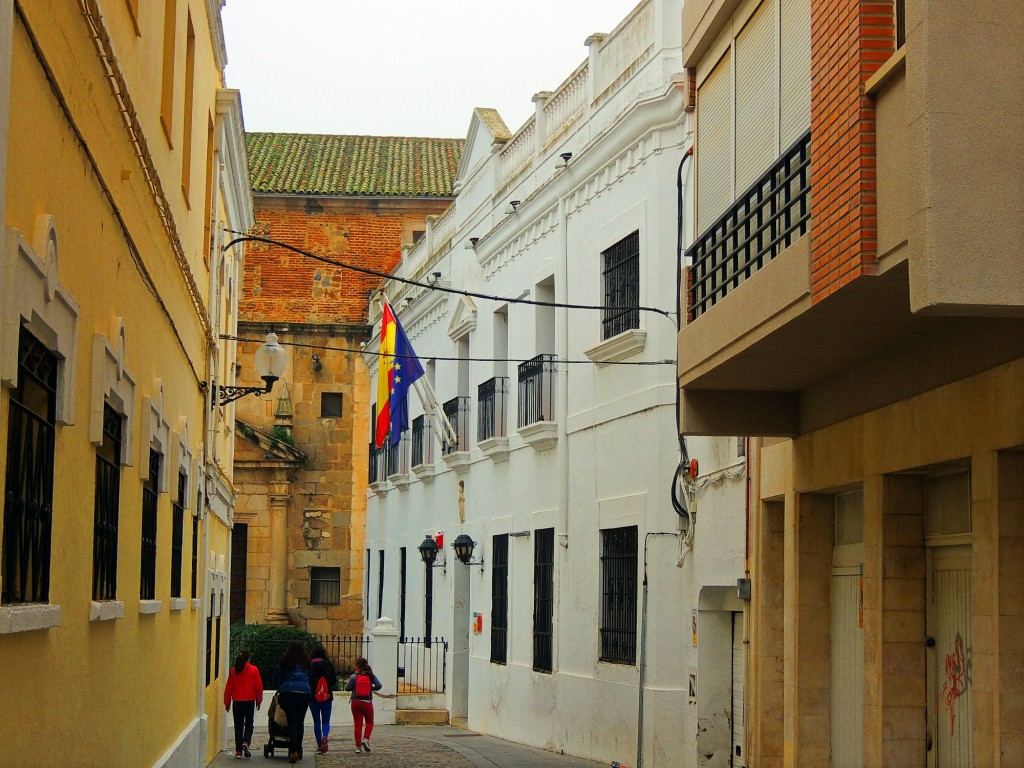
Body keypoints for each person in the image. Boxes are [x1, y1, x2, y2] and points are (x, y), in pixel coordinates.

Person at [276, 640, 312, 763]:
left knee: (292, 722)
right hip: (303, 693)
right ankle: (299, 750)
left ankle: (293, 751)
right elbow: (310, 677)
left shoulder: (285, 661)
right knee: (300, 722)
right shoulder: (307, 662)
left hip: (288, 692)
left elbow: (277, 675)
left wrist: (280, 686)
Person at [224, 649, 263, 759]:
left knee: (238, 726)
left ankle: (238, 752)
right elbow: (258, 687)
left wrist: (227, 702)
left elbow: (228, 688)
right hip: (249, 701)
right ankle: (246, 742)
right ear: (249, 658)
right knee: (249, 723)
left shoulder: (233, 671)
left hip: (237, 702)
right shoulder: (254, 670)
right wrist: (259, 700)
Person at [345, 656, 383, 754]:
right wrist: (369, 688)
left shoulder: (354, 676)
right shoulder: (370, 675)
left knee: (358, 724)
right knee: (370, 722)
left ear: (357, 666)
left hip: (355, 702)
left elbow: (347, 688)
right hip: (367, 702)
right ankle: (365, 739)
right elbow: (379, 686)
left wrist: (355, 687)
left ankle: (358, 748)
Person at [307, 645, 338, 754]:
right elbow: (333, 680)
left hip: (313, 697)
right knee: (326, 721)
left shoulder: (310, 665)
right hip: (326, 696)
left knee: (316, 722)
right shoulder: (328, 665)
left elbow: (308, 680)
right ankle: (325, 735)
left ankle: (320, 745)